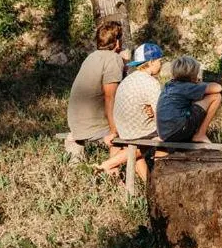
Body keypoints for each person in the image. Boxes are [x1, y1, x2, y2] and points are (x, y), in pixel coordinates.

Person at [95, 43, 165, 182]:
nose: (161, 64)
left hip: (123, 128)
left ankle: (148, 185)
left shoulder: (128, 79)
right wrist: (162, 134)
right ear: (150, 62)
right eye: (159, 61)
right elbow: (160, 112)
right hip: (136, 131)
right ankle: (106, 165)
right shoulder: (151, 83)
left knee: (136, 149)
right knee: (150, 143)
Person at [65, 21, 125, 162]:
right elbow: (110, 97)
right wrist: (114, 130)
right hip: (91, 125)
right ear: (117, 42)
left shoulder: (91, 57)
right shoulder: (113, 59)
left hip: (75, 123)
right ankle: (113, 172)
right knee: (127, 134)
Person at [156, 55, 222, 143]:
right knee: (216, 96)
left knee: (196, 99)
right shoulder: (188, 87)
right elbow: (218, 88)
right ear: (193, 73)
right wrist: (200, 84)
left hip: (164, 134)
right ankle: (200, 134)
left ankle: (195, 134)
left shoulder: (169, 85)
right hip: (178, 132)